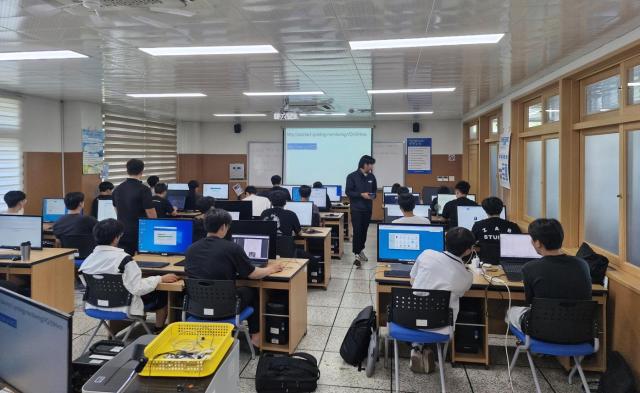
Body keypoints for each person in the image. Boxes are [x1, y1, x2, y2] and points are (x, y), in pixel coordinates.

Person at [185, 209, 283, 347]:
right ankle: (256, 337)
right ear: (224, 227)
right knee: (253, 292)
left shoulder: (190, 248)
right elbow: (253, 274)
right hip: (226, 308)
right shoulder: (232, 248)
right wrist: (271, 269)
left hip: (196, 308)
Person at [79, 219, 178, 332]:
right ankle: (158, 329)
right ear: (116, 238)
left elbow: (90, 285)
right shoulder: (125, 260)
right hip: (124, 306)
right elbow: (138, 288)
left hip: (94, 305)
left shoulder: (87, 261)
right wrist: (160, 278)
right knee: (162, 293)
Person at [506, 219, 592, 333]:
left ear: (538, 243)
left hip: (541, 331)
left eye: (532, 239)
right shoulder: (582, 265)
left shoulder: (529, 268)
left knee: (510, 312)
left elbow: (530, 302)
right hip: (579, 332)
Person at [409, 227, 474, 373]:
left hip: (409, 320)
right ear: (469, 251)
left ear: (445, 241)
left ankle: (417, 347)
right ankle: (424, 348)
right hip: (442, 326)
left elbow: (412, 281)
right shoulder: (466, 276)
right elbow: (461, 293)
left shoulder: (427, 254)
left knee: (422, 310)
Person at [112, 159, 157, 255]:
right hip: (140, 231)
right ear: (142, 171)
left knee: (125, 260)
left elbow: (117, 211)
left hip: (121, 232)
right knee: (143, 260)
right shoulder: (144, 189)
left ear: (127, 170)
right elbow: (151, 215)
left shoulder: (117, 189)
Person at [345, 155, 377, 267]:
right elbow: (348, 192)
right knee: (357, 231)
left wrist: (372, 196)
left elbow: (374, 192)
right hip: (356, 209)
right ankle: (356, 254)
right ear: (365, 164)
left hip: (367, 209)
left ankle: (360, 250)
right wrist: (361, 195)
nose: (372, 166)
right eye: (371, 164)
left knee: (364, 232)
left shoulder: (372, 177)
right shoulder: (352, 176)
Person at [472, 197, 521, 263]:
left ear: (485, 210)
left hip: (484, 263)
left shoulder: (478, 225)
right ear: (501, 209)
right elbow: (519, 246)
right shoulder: (513, 226)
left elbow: (470, 244)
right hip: (507, 264)